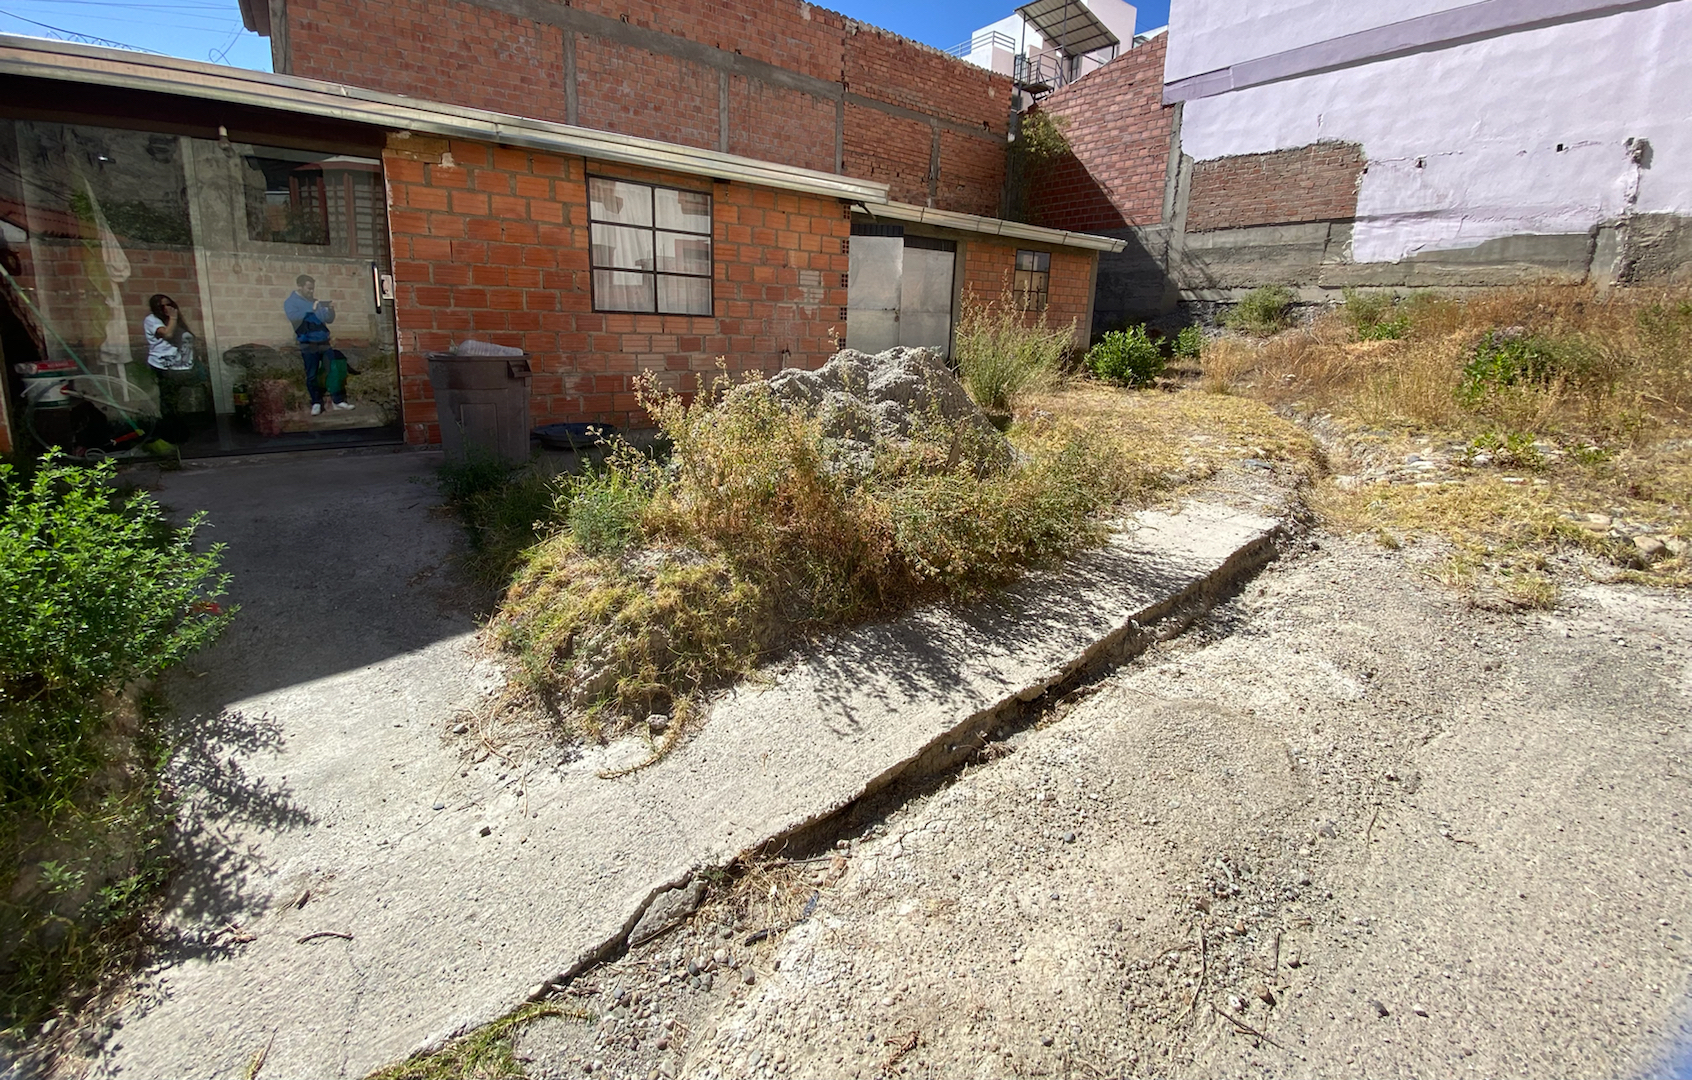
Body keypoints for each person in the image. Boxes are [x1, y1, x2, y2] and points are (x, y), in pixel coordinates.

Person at [283, 274, 352, 415]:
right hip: (307, 343)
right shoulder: (291, 302)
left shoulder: (316, 302)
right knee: (312, 375)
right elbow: (293, 317)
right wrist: (311, 309)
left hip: (324, 342)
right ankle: (316, 402)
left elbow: (328, 319)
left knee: (333, 371)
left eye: (313, 289)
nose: (311, 291)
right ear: (300, 287)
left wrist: (330, 310)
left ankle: (337, 401)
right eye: (308, 288)